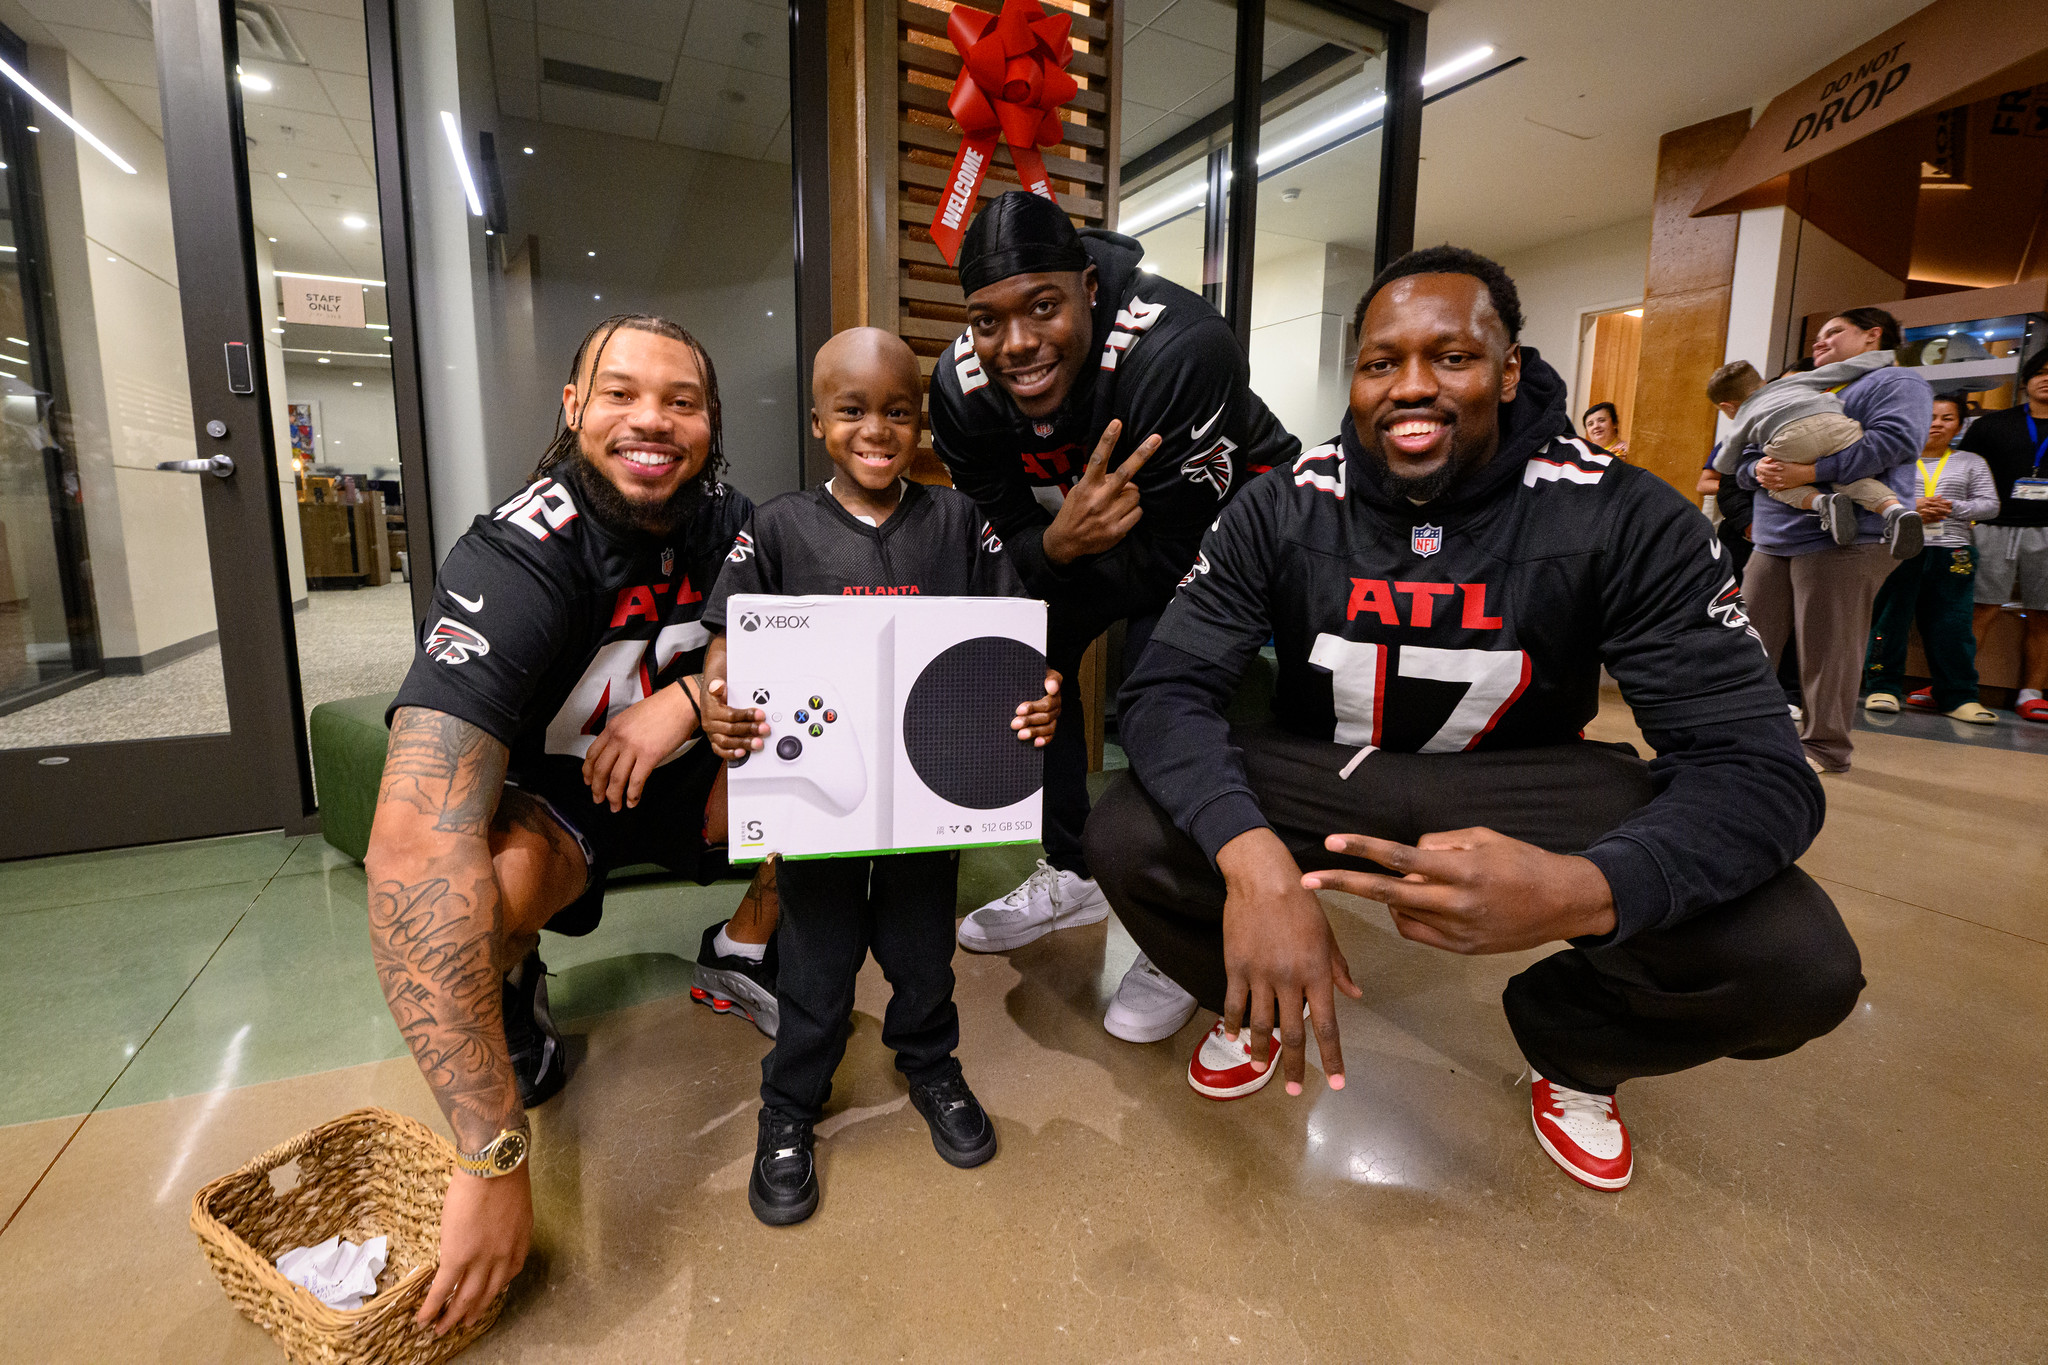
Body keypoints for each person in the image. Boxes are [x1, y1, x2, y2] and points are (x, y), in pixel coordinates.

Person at [1084, 246, 1862, 1193]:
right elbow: (1164, 692)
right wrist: (1253, 863)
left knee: (1799, 962)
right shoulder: (1280, 504)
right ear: (1357, 378)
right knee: (1127, 827)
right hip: (1328, 769)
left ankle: (1574, 1046)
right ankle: (1250, 995)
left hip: (1524, 781)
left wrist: (1588, 888)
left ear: (1510, 368)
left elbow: (1757, 767)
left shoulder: (1625, 515)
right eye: (1382, 362)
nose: (1411, 387)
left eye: (1450, 356)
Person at [367, 315, 773, 1334]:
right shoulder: (515, 555)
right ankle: (512, 982)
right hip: (563, 793)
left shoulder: (734, 518)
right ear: (573, 408)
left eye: (680, 400)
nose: (651, 420)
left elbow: (792, 640)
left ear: (709, 422)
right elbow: (412, 843)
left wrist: (681, 703)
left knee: (837, 765)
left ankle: (748, 942)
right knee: (480, 892)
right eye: (621, 393)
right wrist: (489, 1152)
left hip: (694, 768)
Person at [693, 328, 1061, 1225]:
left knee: (921, 951)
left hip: (926, 800)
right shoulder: (774, 527)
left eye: (899, 410)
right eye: (853, 409)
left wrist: (1039, 694)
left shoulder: (958, 520)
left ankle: (931, 1064)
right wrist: (716, 698)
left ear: (921, 422)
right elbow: (728, 644)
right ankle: (789, 1105)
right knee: (815, 966)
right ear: (820, 421)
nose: (877, 428)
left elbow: (1013, 643)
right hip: (820, 804)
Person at [927, 189, 1300, 1045]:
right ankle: (1071, 867)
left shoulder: (1180, 344)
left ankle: (1182, 917)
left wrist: (1057, 546)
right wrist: (1053, 545)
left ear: (1090, 288)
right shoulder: (958, 385)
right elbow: (998, 546)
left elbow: (1172, 548)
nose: (1015, 344)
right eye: (988, 320)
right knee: (1018, 653)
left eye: (1043, 307)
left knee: (1160, 686)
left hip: (1228, 531)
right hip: (1092, 537)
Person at [1735, 308, 1934, 772]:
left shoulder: (1895, 383)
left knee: (1829, 648)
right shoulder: (1804, 385)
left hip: (1845, 539)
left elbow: (1895, 442)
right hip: (1773, 538)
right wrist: (1755, 470)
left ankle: (1826, 747)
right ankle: (1744, 736)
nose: (1820, 341)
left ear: (1872, 336)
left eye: (1834, 332)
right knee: (1745, 639)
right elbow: (1746, 454)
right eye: (1818, 335)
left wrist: (1814, 472)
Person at [1863, 395, 1999, 723]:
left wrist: (1954, 507)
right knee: (1889, 621)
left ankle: (1958, 696)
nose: (1937, 423)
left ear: (1960, 425)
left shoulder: (1971, 462)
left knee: (1952, 625)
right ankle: (1883, 687)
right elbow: (1869, 500)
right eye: (1930, 416)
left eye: (1947, 418)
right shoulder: (1893, 460)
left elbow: (1990, 505)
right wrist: (1911, 507)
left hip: (1954, 552)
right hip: (1898, 548)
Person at [1708, 358, 1922, 555]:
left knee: (1776, 480)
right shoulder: (1795, 383)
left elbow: (1725, 464)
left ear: (1727, 406)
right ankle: (1896, 511)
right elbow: (1841, 369)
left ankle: (1822, 502)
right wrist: (1884, 356)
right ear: (1763, 381)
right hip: (1840, 427)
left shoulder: (1743, 415)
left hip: (1790, 438)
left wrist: (1748, 465)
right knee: (1852, 479)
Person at [1956, 346, 2048, 722]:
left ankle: (2032, 692)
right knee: (1980, 609)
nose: (2047, 379)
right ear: (2025, 380)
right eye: (2040, 372)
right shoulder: (1991, 425)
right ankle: (1957, 686)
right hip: (1993, 527)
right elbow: (1965, 476)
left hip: (2047, 530)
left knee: (2044, 614)